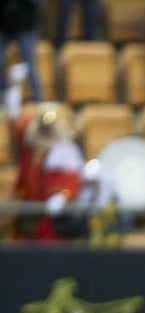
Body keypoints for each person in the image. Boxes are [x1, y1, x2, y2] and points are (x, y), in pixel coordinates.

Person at [5, 64, 83, 241]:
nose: (46, 128)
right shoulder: (30, 141)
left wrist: (63, 197)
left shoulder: (64, 151)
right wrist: (14, 86)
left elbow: (70, 179)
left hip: (51, 213)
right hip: (28, 205)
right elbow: (13, 119)